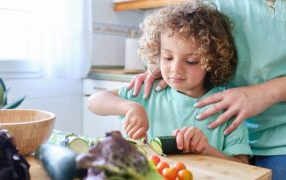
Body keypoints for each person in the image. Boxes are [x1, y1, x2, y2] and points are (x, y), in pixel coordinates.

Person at [128, 0, 286, 180]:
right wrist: (167, 66)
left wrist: (266, 92)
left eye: (192, 61)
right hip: (232, 132)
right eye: (168, 57)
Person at [88, 2, 251, 164]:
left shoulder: (227, 106)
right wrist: (130, 107)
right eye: (168, 58)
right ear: (157, 55)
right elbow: (94, 101)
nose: (176, 69)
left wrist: (207, 150)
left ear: (212, 61)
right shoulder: (149, 91)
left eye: (191, 61)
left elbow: (244, 166)